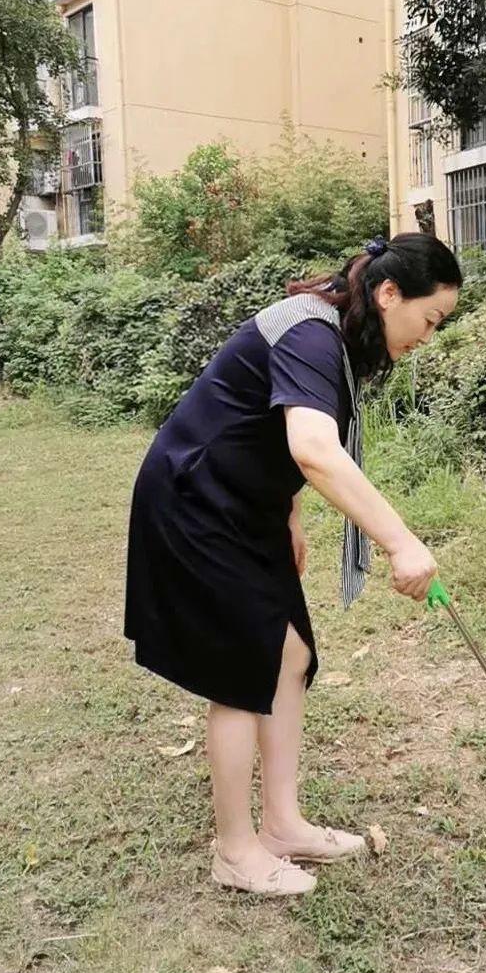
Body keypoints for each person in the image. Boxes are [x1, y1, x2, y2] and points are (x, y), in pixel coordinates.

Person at [123, 233, 463, 896]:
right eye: (430, 320)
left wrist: (288, 515)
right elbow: (311, 444)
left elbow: (265, 427)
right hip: (195, 500)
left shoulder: (332, 332)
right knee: (242, 670)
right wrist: (401, 541)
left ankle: (281, 824)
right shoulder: (312, 334)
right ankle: (235, 849)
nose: (428, 336)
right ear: (390, 294)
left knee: (288, 655)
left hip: (245, 503)